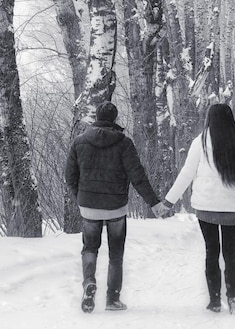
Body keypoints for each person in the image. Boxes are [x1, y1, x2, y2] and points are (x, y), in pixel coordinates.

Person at [65, 101, 168, 313]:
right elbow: (138, 177)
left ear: (96, 117)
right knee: (116, 254)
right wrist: (154, 203)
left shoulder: (79, 142)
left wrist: (81, 198)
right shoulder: (124, 143)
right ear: (114, 118)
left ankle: (89, 282)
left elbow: (70, 176)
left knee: (90, 248)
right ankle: (112, 298)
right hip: (116, 208)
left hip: (89, 207)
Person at [161, 103, 235, 314]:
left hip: (207, 208)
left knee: (211, 252)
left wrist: (169, 201)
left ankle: (214, 300)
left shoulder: (201, 141)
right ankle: (233, 298)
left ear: (210, 119)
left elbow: (187, 173)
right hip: (234, 208)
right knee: (230, 253)